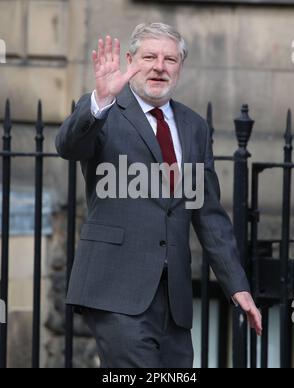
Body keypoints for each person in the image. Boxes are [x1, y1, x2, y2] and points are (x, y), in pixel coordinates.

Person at [56, 22, 262, 368]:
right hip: (116, 290)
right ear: (130, 60)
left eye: (170, 59)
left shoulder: (194, 126)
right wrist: (101, 100)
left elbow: (208, 213)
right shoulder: (105, 112)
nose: (159, 66)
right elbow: (69, 146)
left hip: (174, 300)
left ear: (180, 67)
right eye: (149, 56)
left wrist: (236, 284)